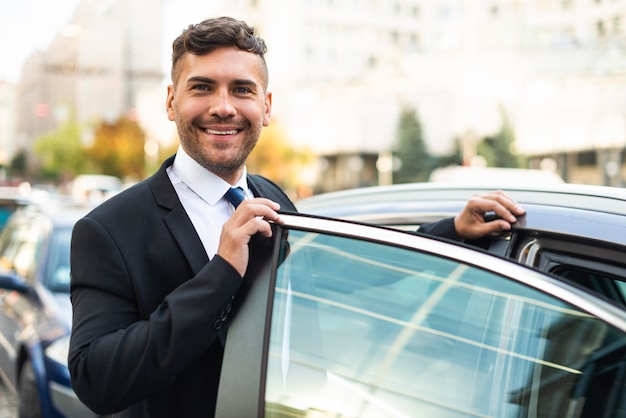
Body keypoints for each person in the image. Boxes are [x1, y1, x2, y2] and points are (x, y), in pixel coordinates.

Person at [68, 16, 526, 418]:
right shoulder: (107, 231)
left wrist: (452, 231)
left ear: (266, 108)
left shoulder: (271, 197)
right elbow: (97, 381)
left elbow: (339, 270)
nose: (224, 106)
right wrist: (221, 273)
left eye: (242, 89)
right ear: (171, 102)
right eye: (202, 87)